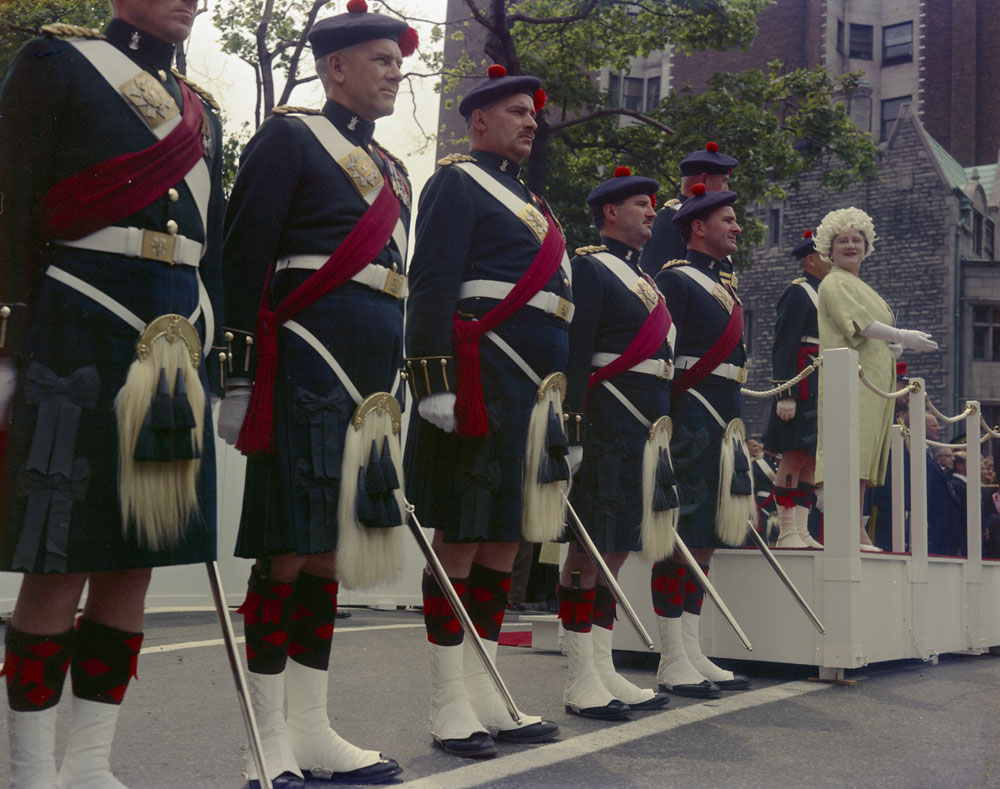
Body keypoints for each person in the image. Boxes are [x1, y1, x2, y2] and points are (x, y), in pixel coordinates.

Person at [0, 1, 225, 786]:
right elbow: (9, 200)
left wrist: (219, 360)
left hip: (175, 335)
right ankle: (29, 769)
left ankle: (88, 763)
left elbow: (213, 249)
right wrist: (7, 338)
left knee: (137, 554)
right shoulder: (57, 63)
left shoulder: (202, 111)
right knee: (60, 555)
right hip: (76, 322)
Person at [217, 4, 418, 786]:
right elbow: (244, 260)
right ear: (335, 67)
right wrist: (235, 374)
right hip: (303, 363)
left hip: (368, 382)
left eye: (398, 61)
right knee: (288, 547)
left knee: (331, 552)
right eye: (379, 59)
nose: (394, 71)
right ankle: (264, 744)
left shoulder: (396, 169)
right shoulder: (290, 138)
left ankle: (312, 730)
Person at [403, 65, 564, 757]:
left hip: (529, 390)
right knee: (463, 536)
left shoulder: (536, 203)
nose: (530, 122)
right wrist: (431, 378)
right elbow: (432, 281)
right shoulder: (456, 181)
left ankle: (488, 688)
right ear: (480, 122)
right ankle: (448, 702)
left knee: (506, 538)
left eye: (533, 115)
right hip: (477, 379)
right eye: (517, 112)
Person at [557, 167, 673, 720]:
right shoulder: (590, 268)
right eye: (639, 204)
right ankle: (580, 676)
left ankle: (603, 666)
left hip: (643, 427)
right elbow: (576, 355)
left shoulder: (645, 279)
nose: (651, 211)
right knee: (588, 549)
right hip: (604, 422)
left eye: (652, 205)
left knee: (618, 546)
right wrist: (572, 428)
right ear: (609, 213)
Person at [648, 184, 753, 698]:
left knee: (708, 530)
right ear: (697, 227)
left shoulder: (724, 285)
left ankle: (691, 647)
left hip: (724, 416)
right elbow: (665, 358)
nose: (736, 227)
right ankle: (670, 657)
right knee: (681, 531)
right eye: (727, 220)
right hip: (690, 415)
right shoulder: (676, 279)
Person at [814, 207, 938, 551]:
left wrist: (892, 347)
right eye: (843, 240)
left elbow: (870, 330)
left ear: (867, 246)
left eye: (857, 240)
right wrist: (903, 335)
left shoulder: (859, 284)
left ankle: (858, 530)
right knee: (851, 452)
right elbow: (858, 323)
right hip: (851, 381)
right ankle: (850, 530)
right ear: (830, 248)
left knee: (867, 456)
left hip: (872, 383)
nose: (851, 245)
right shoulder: (833, 281)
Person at [764, 230, 830, 548]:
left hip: (822, 382)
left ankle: (802, 529)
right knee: (793, 457)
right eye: (826, 254)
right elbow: (784, 346)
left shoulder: (827, 291)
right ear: (810, 259)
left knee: (811, 460)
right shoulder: (798, 293)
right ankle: (787, 529)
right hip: (801, 383)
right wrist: (784, 393)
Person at [638, 141, 738, 277]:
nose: (727, 189)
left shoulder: (714, 225)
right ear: (703, 180)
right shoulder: (672, 216)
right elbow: (658, 278)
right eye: (724, 181)